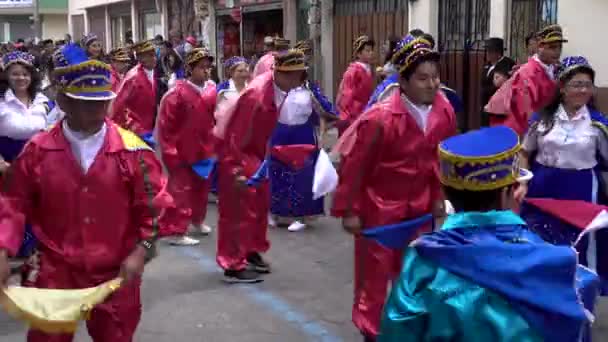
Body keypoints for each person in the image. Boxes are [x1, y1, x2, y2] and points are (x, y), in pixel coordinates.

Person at [0, 43, 172, 342]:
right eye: (85, 102)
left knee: (115, 336)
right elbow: (13, 203)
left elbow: (154, 209)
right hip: (56, 270)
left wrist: (141, 252)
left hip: (116, 270)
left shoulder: (133, 152)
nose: (96, 110)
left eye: (101, 102)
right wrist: (3, 250)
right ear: (64, 102)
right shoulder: (38, 151)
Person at [379, 125, 596, 342]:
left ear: (446, 192)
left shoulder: (423, 262)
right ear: (505, 194)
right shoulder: (555, 265)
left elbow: (396, 333)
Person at [331, 35, 457, 342]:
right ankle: (371, 333)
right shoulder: (380, 118)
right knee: (373, 282)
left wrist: (440, 197)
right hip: (379, 211)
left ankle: (406, 330)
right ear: (403, 80)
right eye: (423, 78)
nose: (432, 84)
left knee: (414, 276)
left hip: (419, 209)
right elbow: (356, 169)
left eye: (435, 77)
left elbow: (439, 161)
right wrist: (350, 211)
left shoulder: (444, 112)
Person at [215, 49, 314, 283]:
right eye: (292, 75)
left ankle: (250, 250)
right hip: (239, 153)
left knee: (259, 203)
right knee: (238, 209)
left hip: (256, 151)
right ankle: (232, 264)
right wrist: (236, 169)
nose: (297, 81)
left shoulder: (278, 89)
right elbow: (235, 135)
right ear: (279, 73)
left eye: (299, 75)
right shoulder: (257, 96)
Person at [517, 56, 608, 293]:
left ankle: (580, 295)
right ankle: (541, 294)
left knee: (579, 244)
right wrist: (523, 182)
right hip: (543, 186)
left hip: (581, 189)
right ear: (562, 87)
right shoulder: (542, 120)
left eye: (588, 84)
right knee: (542, 240)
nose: (583, 90)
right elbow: (524, 152)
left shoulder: (598, 125)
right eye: (577, 84)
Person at [267, 57, 339, 232]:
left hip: (303, 135)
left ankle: (301, 215)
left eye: (297, 71)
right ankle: (276, 212)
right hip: (280, 133)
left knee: (302, 176)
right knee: (278, 173)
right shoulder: (275, 89)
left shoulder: (310, 90)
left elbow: (325, 113)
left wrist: (322, 136)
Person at [157, 48, 216, 246]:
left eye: (208, 67)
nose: (206, 71)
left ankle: (197, 220)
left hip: (205, 149)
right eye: (201, 68)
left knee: (201, 188)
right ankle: (175, 231)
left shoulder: (211, 89)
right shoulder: (176, 93)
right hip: (181, 151)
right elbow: (166, 126)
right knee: (180, 191)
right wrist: (169, 151)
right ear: (190, 69)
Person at [485, 24, 567, 135]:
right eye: (552, 47)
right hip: (525, 133)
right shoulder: (527, 74)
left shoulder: (557, 69)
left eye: (559, 47)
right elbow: (524, 114)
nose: (557, 52)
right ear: (539, 47)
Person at [0, 51, 49, 164]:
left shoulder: (41, 100)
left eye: (25, 74)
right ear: (6, 76)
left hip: (39, 163)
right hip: (8, 166)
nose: (21, 78)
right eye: (15, 74)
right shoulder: (1, 101)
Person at [111, 40, 168, 138]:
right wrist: (131, 126)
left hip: (151, 129)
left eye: (154, 55)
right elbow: (118, 104)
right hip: (136, 132)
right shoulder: (133, 77)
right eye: (149, 55)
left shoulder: (153, 73)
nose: (154, 58)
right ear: (140, 58)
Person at [336, 35, 375, 135]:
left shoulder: (368, 69)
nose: (371, 53)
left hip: (366, 111)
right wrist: (350, 116)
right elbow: (347, 96)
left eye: (371, 50)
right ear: (358, 53)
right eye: (367, 51)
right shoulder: (353, 71)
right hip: (354, 114)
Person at [481, 38, 515, 127]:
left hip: (499, 109)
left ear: (498, 52)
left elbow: (498, 84)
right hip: (487, 106)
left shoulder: (506, 63)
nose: (487, 53)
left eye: (490, 51)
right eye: (487, 50)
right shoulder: (488, 65)